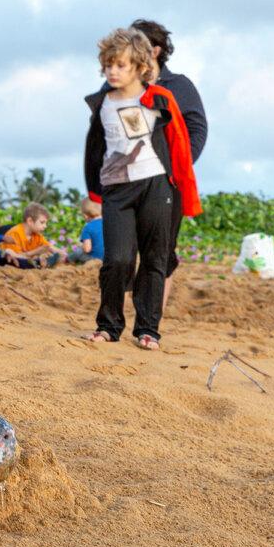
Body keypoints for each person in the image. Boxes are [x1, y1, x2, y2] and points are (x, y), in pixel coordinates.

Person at [82, 28, 201, 350]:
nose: (112, 71)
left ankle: (148, 329)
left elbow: (179, 141)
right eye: (108, 65)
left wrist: (181, 186)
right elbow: (94, 149)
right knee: (117, 259)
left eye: (120, 65)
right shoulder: (102, 103)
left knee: (154, 259)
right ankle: (109, 325)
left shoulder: (160, 99)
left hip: (157, 185)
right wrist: (95, 189)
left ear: (139, 66)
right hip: (116, 189)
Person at [130, 19, 207, 311]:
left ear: (156, 50)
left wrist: (179, 165)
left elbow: (197, 128)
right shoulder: (120, 81)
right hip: (127, 178)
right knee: (125, 248)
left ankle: (150, 318)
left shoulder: (180, 86)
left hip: (167, 182)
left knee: (160, 250)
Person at [0, 203, 68, 269]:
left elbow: (50, 247)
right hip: (11, 263)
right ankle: (39, 263)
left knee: (48, 254)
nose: (45, 226)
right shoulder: (15, 233)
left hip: (27, 261)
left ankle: (40, 262)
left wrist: (65, 255)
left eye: (46, 223)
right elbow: (16, 258)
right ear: (30, 221)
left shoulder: (37, 235)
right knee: (26, 260)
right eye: (42, 222)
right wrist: (37, 252)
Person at [68, 198, 104, 264]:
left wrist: (81, 246)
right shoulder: (109, 224)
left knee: (78, 252)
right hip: (109, 258)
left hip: (95, 260)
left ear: (85, 215)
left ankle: (67, 261)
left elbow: (87, 249)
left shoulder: (88, 227)